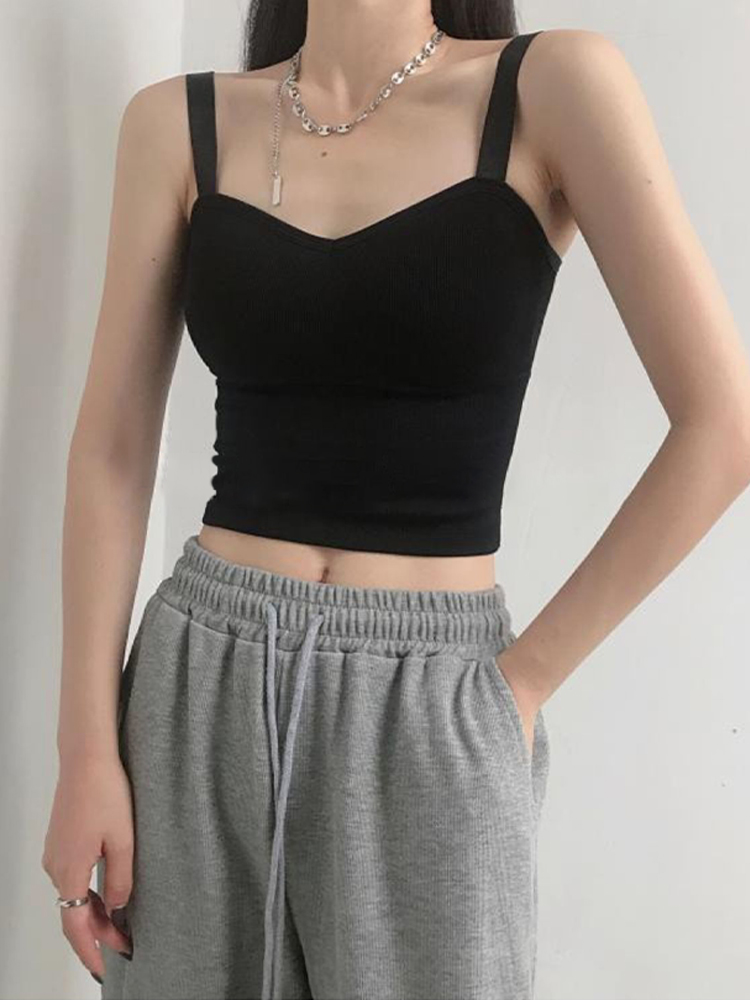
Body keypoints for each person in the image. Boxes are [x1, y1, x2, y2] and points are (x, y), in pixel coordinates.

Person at [42, 2, 750, 998]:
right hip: (196, 687)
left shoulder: (550, 89)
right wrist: (85, 747)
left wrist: (519, 688)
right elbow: (114, 450)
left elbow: (723, 423)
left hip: (434, 707)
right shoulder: (176, 123)